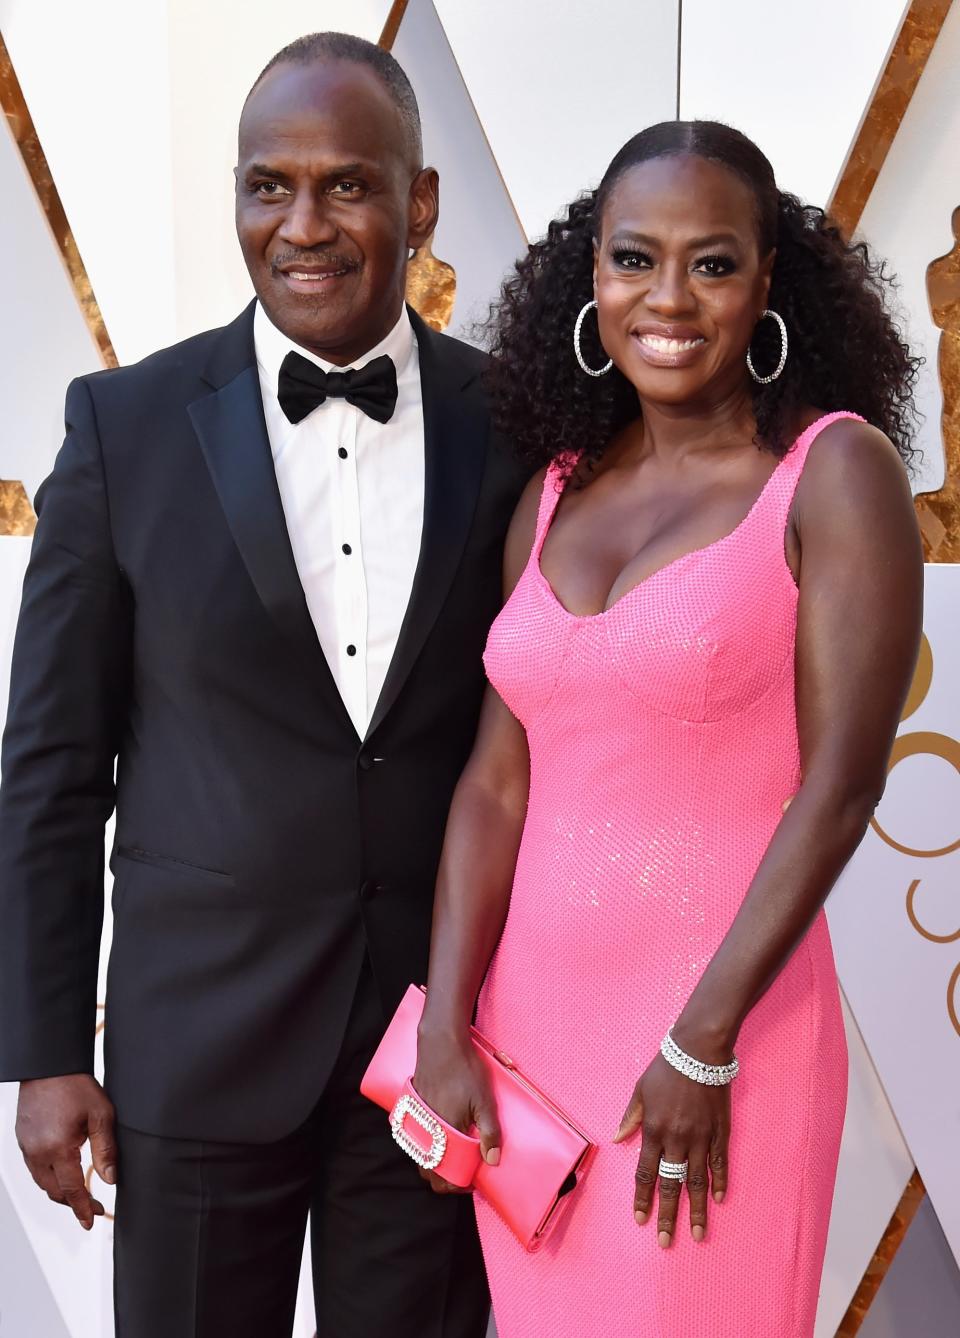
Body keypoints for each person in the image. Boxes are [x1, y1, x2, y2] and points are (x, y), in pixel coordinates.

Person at [0, 32, 525, 1338]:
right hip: (196, 1046)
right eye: (266, 185)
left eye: (347, 185)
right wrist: (47, 1046)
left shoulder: (516, 423)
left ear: (418, 203)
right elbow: (53, 769)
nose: (303, 224)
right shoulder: (123, 428)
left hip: (434, 1045)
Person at [412, 121, 923, 1337]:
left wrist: (701, 1043)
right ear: (589, 279)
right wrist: (444, 1019)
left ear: (769, 283)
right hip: (525, 1049)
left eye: (713, 263)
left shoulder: (834, 475)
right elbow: (496, 785)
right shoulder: (555, 487)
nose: (669, 299)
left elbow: (840, 790)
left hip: (718, 1038)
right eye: (635, 259)